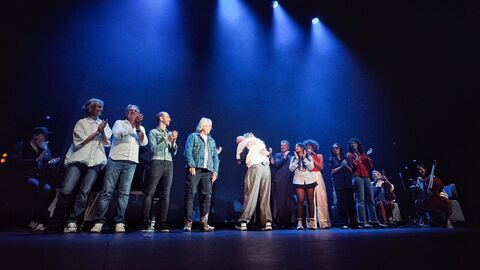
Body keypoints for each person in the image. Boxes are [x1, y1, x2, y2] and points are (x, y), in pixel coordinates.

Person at [47, 98, 111, 233]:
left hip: (96, 162)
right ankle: (56, 221)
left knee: (84, 192)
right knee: (66, 190)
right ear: (91, 108)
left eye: (101, 107)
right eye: (98, 107)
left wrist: (102, 131)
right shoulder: (81, 123)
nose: (101, 109)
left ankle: (73, 221)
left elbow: (106, 143)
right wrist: (97, 131)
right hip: (78, 159)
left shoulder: (103, 124)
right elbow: (79, 142)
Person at [90, 104, 148, 233]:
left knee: (124, 193)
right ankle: (99, 221)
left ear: (139, 114)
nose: (132, 113)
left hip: (131, 162)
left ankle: (119, 221)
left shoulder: (141, 127)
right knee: (107, 191)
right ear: (126, 113)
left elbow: (144, 142)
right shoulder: (119, 123)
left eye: (135, 111)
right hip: (115, 160)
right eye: (130, 111)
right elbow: (116, 135)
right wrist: (132, 125)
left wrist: (137, 128)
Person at [9, 126, 60, 231]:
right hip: (22, 176)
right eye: (44, 136)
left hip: (38, 179)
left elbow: (44, 168)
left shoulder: (45, 149)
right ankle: (30, 219)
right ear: (35, 136)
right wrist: (35, 160)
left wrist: (51, 163)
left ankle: (37, 219)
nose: (47, 139)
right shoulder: (22, 146)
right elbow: (13, 162)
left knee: (50, 189)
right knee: (34, 185)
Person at [141, 112, 178, 232]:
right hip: (157, 162)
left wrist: (172, 141)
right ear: (161, 118)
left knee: (165, 193)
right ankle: (145, 221)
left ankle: (161, 222)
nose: (170, 119)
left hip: (169, 162)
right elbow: (154, 149)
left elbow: (174, 152)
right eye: (168, 117)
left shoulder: (169, 133)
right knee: (150, 192)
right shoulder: (153, 132)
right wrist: (166, 140)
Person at [183, 117, 219, 232]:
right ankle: (188, 222)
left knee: (207, 196)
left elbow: (215, 158)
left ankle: (204, 223)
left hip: (208, 171)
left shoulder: (212, 141)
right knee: (190, 194)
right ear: (203, 126)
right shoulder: (193, 136)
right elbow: (187, 151)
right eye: (209, 125)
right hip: (195, 169)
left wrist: (215, 172)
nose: (211, 128)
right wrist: (191, 165)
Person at [236, 133, 273, 231]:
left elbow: (239, 156)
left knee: (251, 194)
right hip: (266, 168)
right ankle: (267, 223)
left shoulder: (245, 141)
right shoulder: (260, 142)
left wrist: (239, 158)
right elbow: (267, 153)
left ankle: (244, 222)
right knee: (265, 195)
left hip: (255, 167)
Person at [346, 138, 385, 228]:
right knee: (361, 200)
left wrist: (366, 157)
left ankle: (374, 220)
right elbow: (354, 165)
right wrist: (358, 156)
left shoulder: (363, 154)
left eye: (355, 143)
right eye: (351, 144)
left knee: (370, 199)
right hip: (357, 177)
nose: (353, 145)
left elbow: (370, 165)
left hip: (366, 177)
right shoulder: (350, 154)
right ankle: (362, 221)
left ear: (358, 144)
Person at [329, 143, 360, 229]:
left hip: (348, 183)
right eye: (334, 148)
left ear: (340, 149)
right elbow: (332, 172)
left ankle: (354, 222)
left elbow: (351, 170)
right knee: (342, 204)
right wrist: (341, 166)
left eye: (337, 148)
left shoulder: (346, 158)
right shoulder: (332, 159)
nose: (335, 149)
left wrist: (345, 165)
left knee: (351, 203)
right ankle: (343, 222)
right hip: (339, 183)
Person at [289, 142, 317, 230]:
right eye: (296, 146)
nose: (296, 147)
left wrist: (304, 158)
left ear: (302, 148)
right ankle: (300, 223)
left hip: (309, 180)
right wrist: (297, 160)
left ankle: (312, 223)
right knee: (300, 202)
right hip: (298, 181)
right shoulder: (293, 158)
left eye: (298, 146)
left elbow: (311, 167)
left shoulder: (309, 157)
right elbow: (291, 168)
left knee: (310, 201)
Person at [304, 139, 331, 229]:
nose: (308, 147)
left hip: (318, 175)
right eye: (307, 146)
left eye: (310, 146)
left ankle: (324, 222)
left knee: (321, 198)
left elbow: (321, 167)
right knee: (310, 200)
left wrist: (312, 157)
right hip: (308, 175)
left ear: (313, 147)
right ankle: (311, 223)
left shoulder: (319, 155)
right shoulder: (304, 156)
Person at [268, 140, 294, 229]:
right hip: (279, 182)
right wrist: (284, 157)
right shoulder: (278, 155)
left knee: (289, 202)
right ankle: (282, 221)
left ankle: (288, 221)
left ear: (288, 147)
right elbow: (276, 165)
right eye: (281, 145)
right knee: (280, 202)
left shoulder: (291, 157)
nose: (282, 147)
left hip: (289, 182)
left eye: (284, 145)